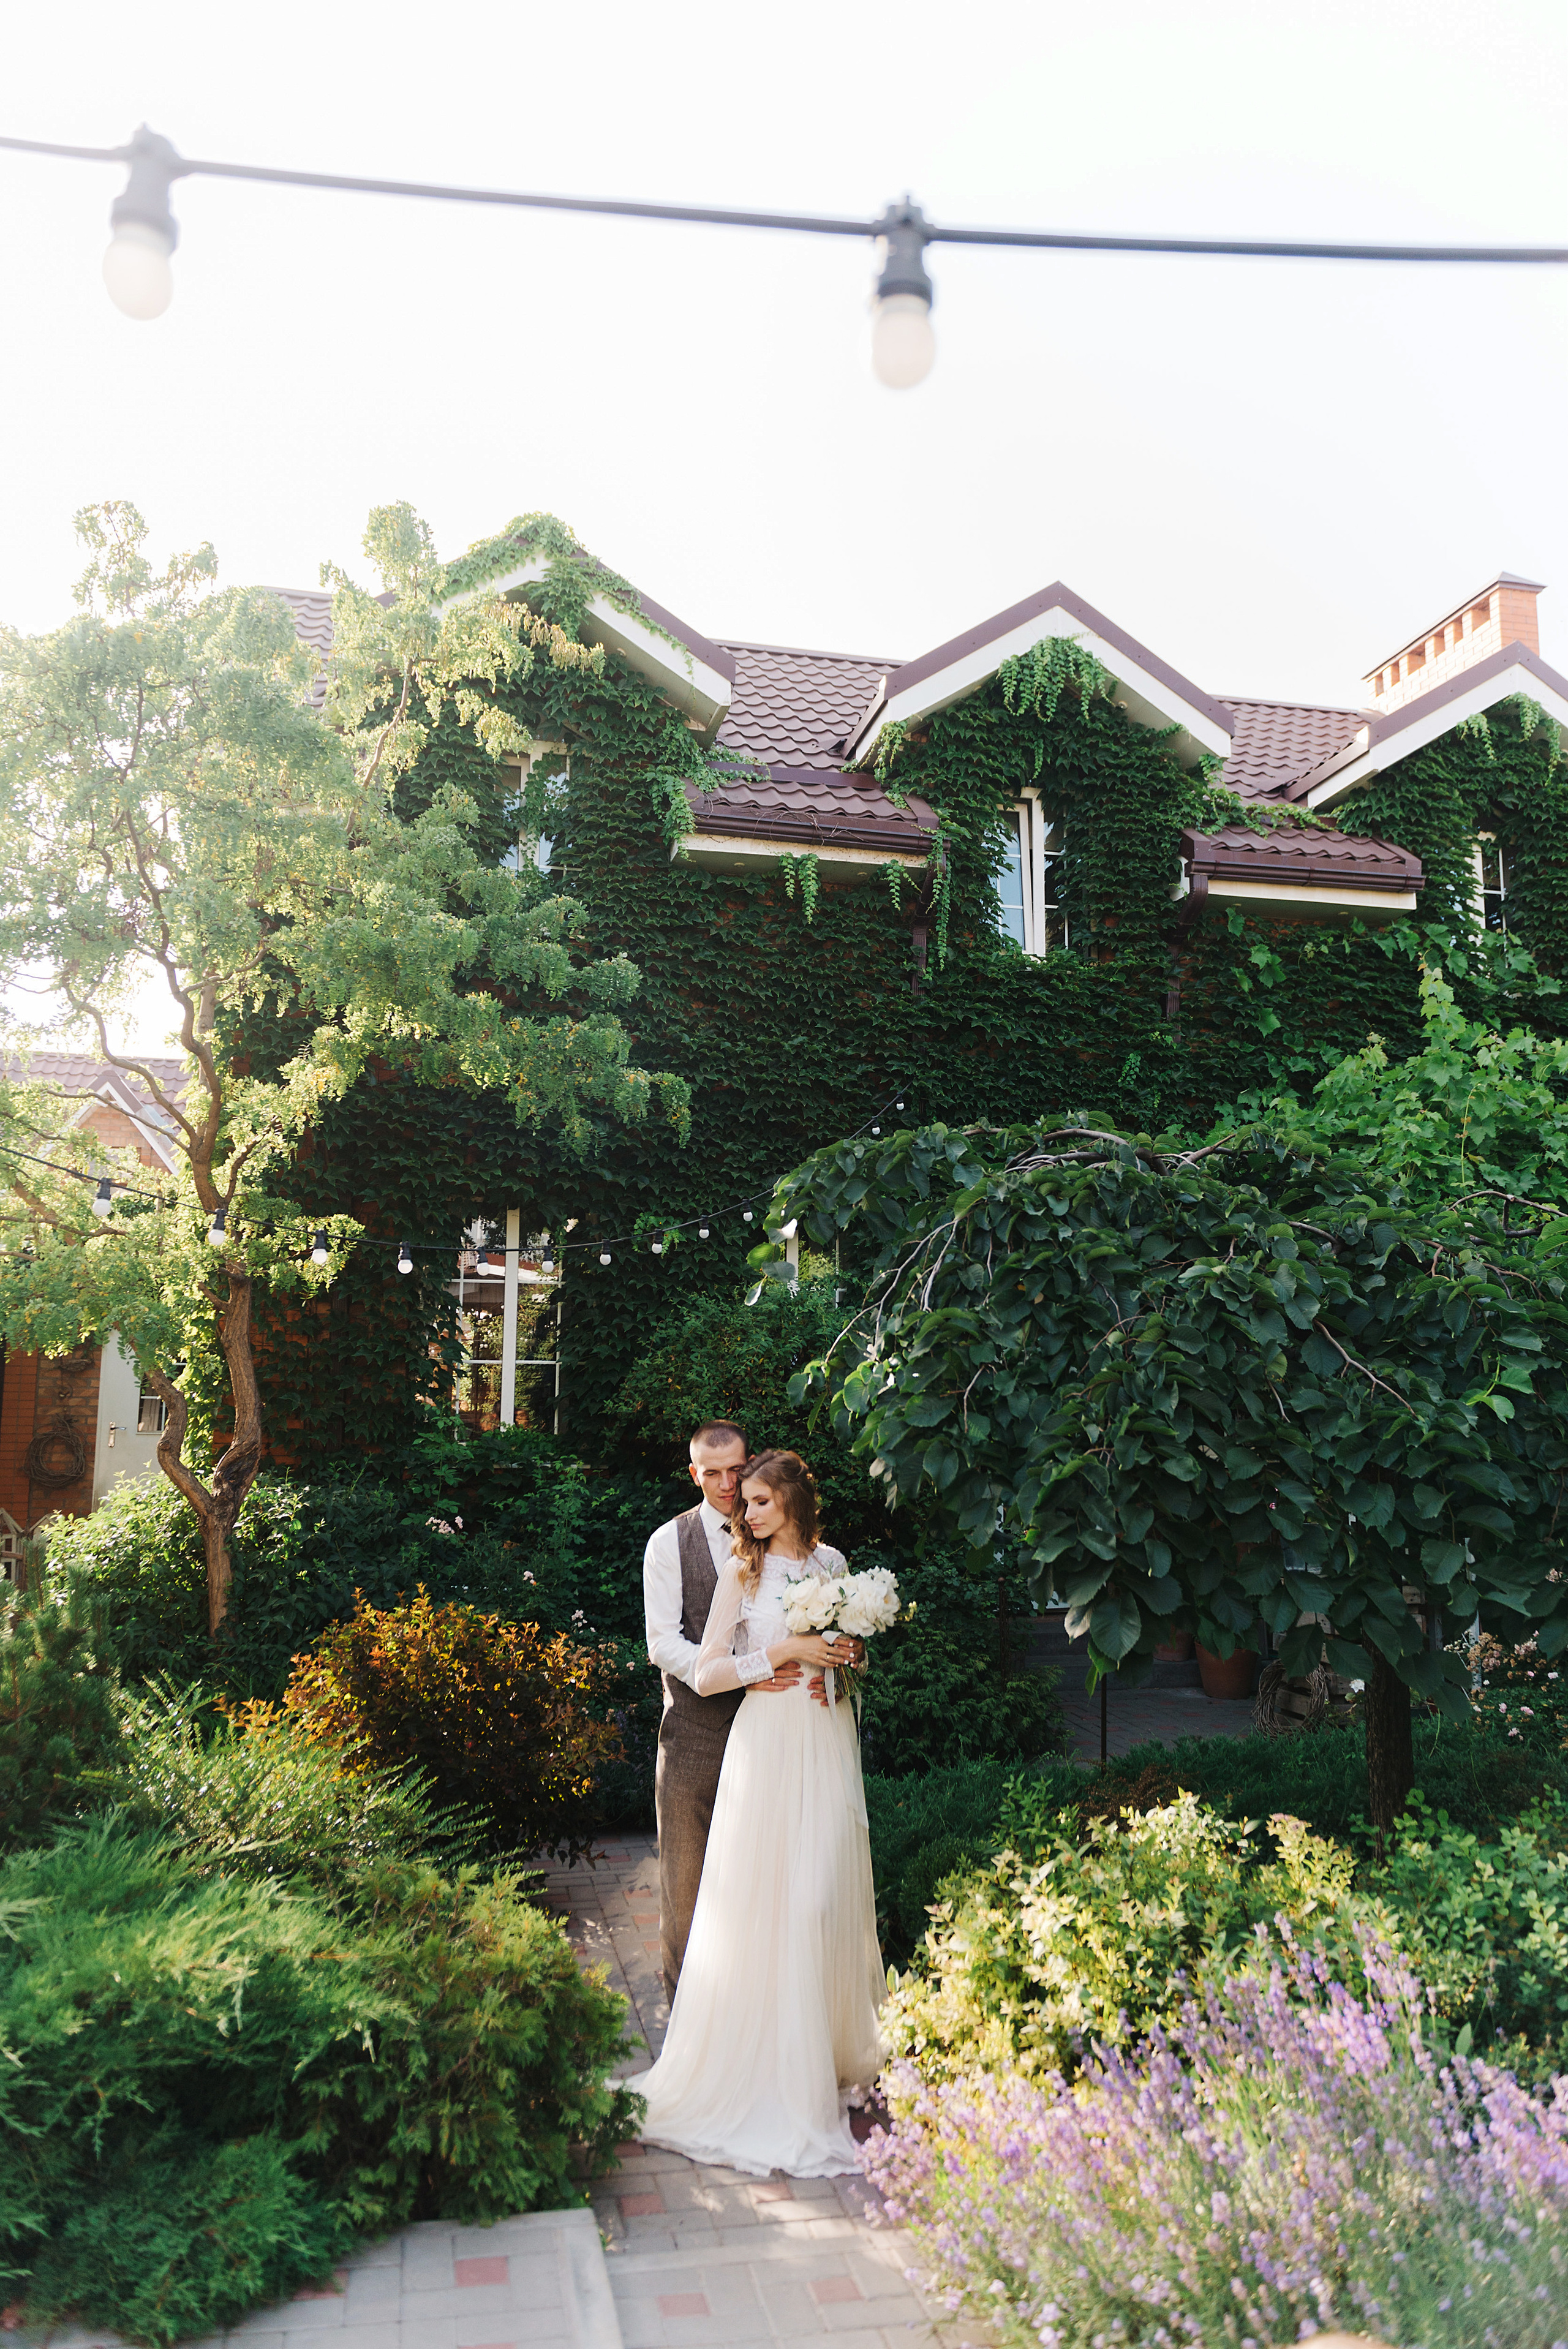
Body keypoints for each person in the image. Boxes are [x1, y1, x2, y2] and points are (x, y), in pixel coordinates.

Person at [631, 1449, 886, 2177]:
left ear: (795, 1501)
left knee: (822, 1899)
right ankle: (772, 2079)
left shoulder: (833, 1562)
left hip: (825, 1741)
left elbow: (851, 1654)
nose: (747, 1515)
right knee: (773, 1907)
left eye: (760, 1502)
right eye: (743, 1503)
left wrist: (842, 1658)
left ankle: (821, 2059)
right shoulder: (743, 1571)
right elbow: (707, 1669)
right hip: (766, 1747)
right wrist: (775, 1657)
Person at [643, 1420, 810, 2002]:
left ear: (752, 1467)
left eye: (735, 1470)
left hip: (774, 1740)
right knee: (686, 1898)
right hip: (695, 1740)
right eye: (709, 1472)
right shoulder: (670, 1542)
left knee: (762, 1895)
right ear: (694, 1473)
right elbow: (662, 1642)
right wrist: (743, 1671)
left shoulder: (778, 1537)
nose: (724, 1483)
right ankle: (683, 2043)